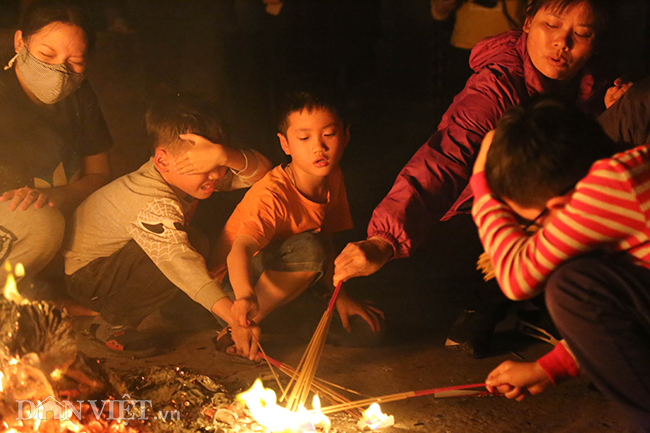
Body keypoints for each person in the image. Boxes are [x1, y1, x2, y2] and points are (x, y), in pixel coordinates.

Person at [333, 0, 615, 358]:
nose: (563, 43)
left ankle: (552, 304)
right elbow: (445, 155)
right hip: (480, 220)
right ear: (527, 22)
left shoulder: (598, 84)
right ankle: (486, 301)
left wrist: (613, 106)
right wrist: (383, 240)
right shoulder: (496, 86)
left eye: (582, 34)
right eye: (551, 26)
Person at [472, 95, 650, 430]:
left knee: (571, 285)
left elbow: (516, 278)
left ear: (560, 204)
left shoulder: (612, 182)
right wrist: (551, 368)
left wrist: (481, 189)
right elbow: (631, 305)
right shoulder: (631, 171)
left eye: (535, 224)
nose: (540, 235)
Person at [63, 95, 272, 357]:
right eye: (206, 167)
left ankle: (138, 310)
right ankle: (112, 325)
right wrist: (234, 319)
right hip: (88, 276)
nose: (217, 174)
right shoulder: (152, 198)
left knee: (194, 242)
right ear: (162, 160)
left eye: (218, 164)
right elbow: (179, 262)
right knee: (183, 250)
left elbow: (262, 174)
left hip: (113, 265)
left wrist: (225, 156)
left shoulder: (187, 171)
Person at [210, 90, 384, 361]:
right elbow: (239, 251)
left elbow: (326, 240)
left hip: (286, 285)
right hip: (234, 287)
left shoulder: (332, 176)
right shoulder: (272, 193)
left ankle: (265, 325)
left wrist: (341, 296)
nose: (318, 147)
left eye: (328, 134)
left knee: (366, 331)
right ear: (286, 144)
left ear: (346, 135)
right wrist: (244, 300)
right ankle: (236, 327)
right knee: (309, 248)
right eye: (304, 138)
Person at [0, 0, 112, 293]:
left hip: (58, 211)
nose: (59, 71)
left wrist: (58, 195)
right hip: (18, 223)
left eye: (75, 62)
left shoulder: (80, 96)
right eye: (46, 55)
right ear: (20, 42)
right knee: (41, 225)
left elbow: (99, 174)